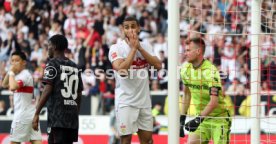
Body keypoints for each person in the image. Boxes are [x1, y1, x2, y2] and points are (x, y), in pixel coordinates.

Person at [108, 16, 162, 144]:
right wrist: (133, 49)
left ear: (138, 28)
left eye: (133, 26)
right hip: (126, 102)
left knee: (148, 140)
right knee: (126, 140)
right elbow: (121, 70)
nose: (130, 30)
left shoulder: (146, 46)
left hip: (144, 101)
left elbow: (159, 66)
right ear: (123, 30)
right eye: (127, 27)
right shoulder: (116, 48)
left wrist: (140, 48)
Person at [32, 34, 83, 144]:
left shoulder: (52, 64)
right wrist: (75, 113)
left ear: (54, 46)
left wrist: (36, 113)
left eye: (48, 45)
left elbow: (47, 89)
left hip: (57, 119)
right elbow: (79, 93)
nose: (48, 49)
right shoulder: (75, 66)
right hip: (72, 120)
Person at [179, 37, 231, 144]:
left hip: (219, 118)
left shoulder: (210, 71)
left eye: (188, 50)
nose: (185, 53)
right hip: (202, 119)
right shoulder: (185, 69)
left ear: (198, 51)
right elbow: (187, 95)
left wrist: (198, 119)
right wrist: (182, 118)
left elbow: (214, 102)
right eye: (185, 50)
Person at [2, 51, 42, 144]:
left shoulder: (24, 75)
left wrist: (11, 72)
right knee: (36, 141)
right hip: (31, 114)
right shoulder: (19, 74)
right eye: (12, 61)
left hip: (21, 116)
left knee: (14, 142)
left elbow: (12, 87)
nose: (14, 63)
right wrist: (10, 72)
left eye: (17, 60)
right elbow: (4, 84)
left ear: (24, 62)